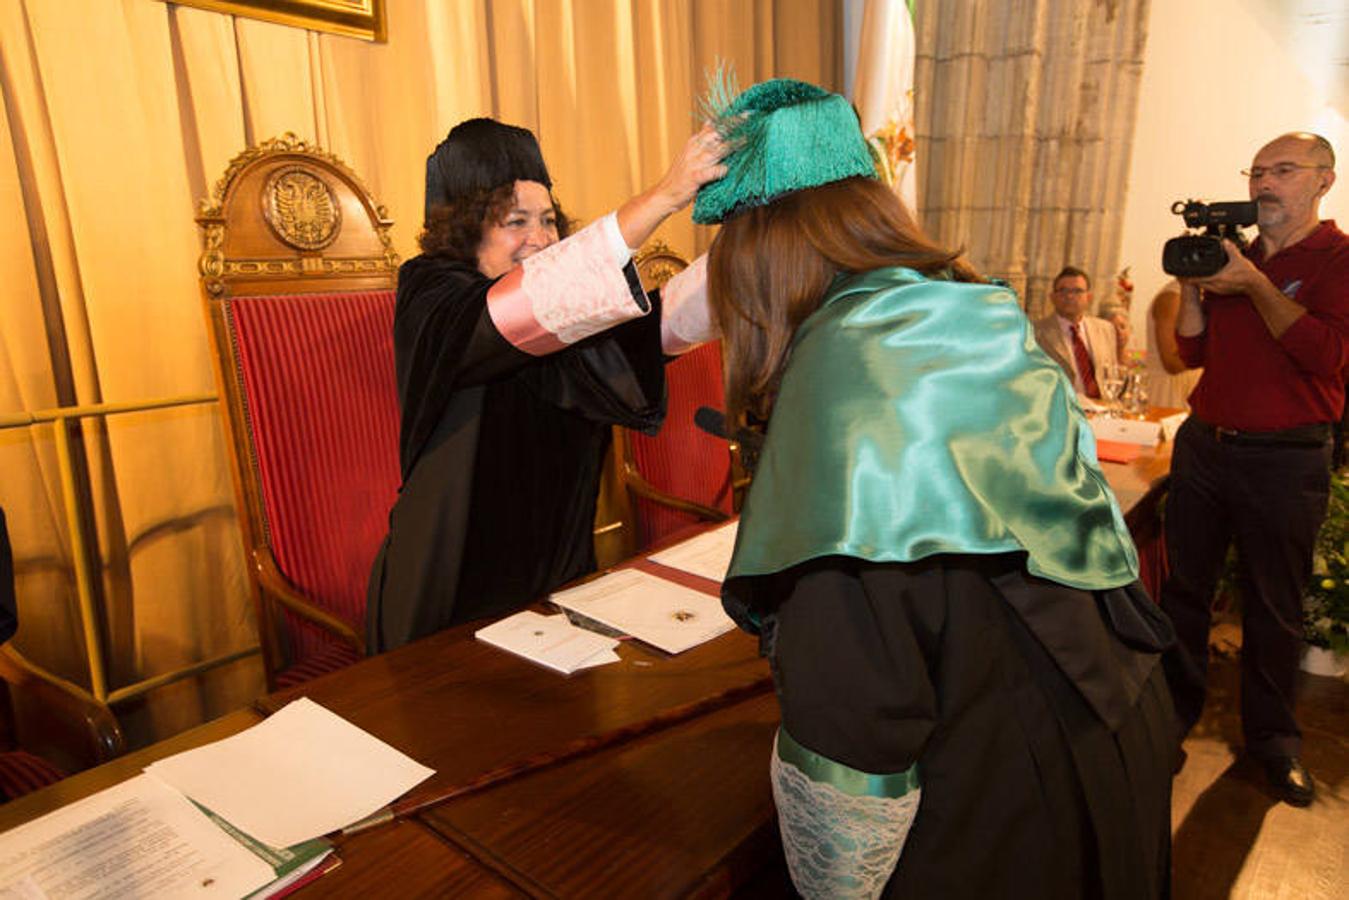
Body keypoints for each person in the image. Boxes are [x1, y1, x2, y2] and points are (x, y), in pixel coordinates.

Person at [698, 78, 1175, 898]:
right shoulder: (970, 316)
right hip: (1107, 725)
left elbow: (853, 720)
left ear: (757, 258)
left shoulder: (842, 385)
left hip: (1002, 799)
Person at [366, 118, 726, 652]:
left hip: (555, 598)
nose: (540, 238)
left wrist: (750, 250)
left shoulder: (561, 317)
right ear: (464, 231)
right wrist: (666, 195)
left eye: (550, 220)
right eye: (516, 221)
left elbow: (654, 334)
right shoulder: (433, 296)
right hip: (448, 607)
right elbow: (519, 310)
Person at [1160, 132, 1347, 807]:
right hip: (1205, 445)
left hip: (1286, 458)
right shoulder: (1228, 254)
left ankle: (1274, 743)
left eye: (1282, 171)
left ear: (1322, 181)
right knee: (1184, 593)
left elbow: (1327, 357)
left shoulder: (1338, 259)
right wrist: (1192, 290)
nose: (1264, 184)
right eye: (1257, 171)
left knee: (1273, 605)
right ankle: (1167, 724)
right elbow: (1189, 352)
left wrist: (1254, 285)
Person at [1032, 266, 1121, 399]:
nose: (1069, 296)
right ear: (1052, 297)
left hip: (1101, 407)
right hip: (1060, 408)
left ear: (1089, 297)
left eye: (1077, 291)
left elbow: (1113, 375)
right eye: (1063, 291)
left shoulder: (1106, 329)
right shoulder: (1036, 332)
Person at [1143, 280, 1202, 409]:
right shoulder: (1172, 298)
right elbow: (1171, 363)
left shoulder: (1200, 294)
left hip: (1191, 386)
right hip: (1169, 392)